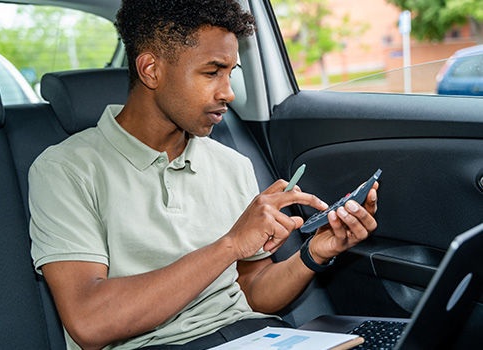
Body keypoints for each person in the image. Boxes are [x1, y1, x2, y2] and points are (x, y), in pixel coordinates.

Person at [28, 1, 379, 349]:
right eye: (212, 73)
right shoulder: (65, 170)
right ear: (150, 69)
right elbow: (89, 321)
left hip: (253, 335)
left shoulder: (232, 164)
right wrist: (229, 245)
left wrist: (314, 253)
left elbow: (253, 292)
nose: (228, 93)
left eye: (230, 73)